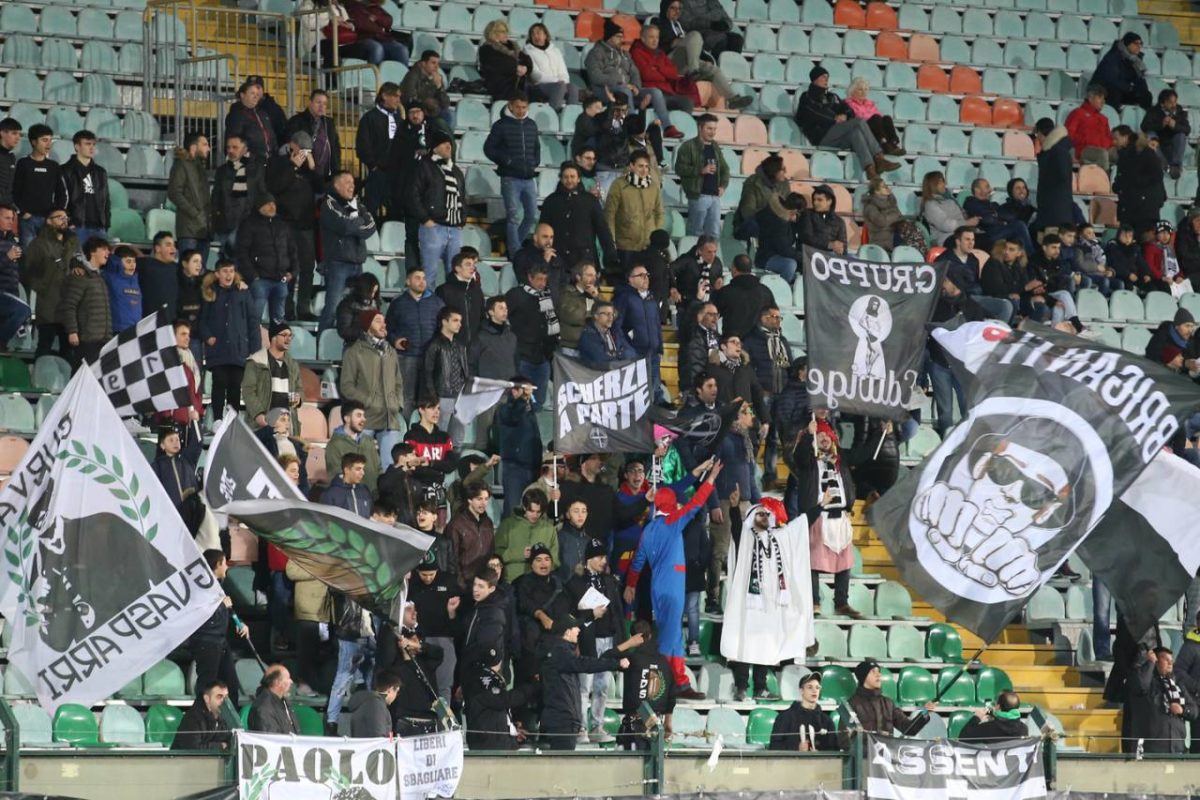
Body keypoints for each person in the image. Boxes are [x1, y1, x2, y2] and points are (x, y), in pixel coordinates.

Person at [624, 461, 722, 698]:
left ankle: (679, 682)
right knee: (669, 638)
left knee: (673, 635)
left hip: (658, 589)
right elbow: (696, 503)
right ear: (672, 504)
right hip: (672, 588)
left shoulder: (648, 530)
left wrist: (630, 584)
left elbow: (637, 562)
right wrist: (710, 479)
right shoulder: (672, 522)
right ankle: (669, 684)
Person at [722, 504, 813, 701]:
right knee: (747, 647)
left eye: (766, 514)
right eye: (759, 514)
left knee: (765, 646)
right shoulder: (746, 536)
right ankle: (741, 687)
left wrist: (820, 506)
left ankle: (761, 687)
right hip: (750, 604)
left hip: (770, 604)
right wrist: (735, 508)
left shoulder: (778, 537)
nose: (763, 517)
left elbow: (799, 528)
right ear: (752, 517)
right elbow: (737, 528)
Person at [794, 419, 861, 618]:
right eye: (819, 435)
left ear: (833, 438)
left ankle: (842, 602)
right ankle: (814, 601)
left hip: (840, 517)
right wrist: (807, 434)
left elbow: (864, 454)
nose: (823, 438)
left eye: (826, 435)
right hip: (819, 516)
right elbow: (799, 456)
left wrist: (885, 434)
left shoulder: (842, 461)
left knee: (845, 562)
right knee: (813, 561)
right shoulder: (809, 463)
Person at [538, 615, 630, 750]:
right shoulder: (559, 653)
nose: (578, 630)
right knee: (561, 765)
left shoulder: (559, 651)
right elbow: (585, 664)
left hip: (563, 719)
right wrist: (615, 664)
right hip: (562, 720)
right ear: (567, 632)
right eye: (575, 627)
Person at [586, 22, 684, 140]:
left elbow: (635, 72)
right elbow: (595, 76)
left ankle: (668, 127)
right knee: (625, 90)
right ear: (609, 37)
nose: (621, 40)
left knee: (655, 92)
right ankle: (632, 126)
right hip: (606, 91)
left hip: (627, 90)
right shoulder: (596, 53)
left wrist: (636, 86)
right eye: (618, 37)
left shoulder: (625, 54)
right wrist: (620, 83)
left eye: (622, 37)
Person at [795, 67, 898, 179]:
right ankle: (879, 157)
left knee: (856, 134)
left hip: (836, 135)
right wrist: (834, 117)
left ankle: (870, 168)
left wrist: (844, 115)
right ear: (815, 79)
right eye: (823, 77)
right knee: (859, 121)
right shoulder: (806, 96)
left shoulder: (832, 97)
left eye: (827, 77)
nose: (826, 80)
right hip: (821, 135)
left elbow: (849, 110)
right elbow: (816, 113)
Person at [265, 133, 319, 320]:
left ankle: (304, 308)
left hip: (306, 225)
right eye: (300, 150)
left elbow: (320, 188)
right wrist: (292, 165)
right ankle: (286, 307)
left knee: (306, 268)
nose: (303, 155)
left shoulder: (309, 171)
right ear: (291, 146)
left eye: (307, 151)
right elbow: (275, 186)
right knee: (288, 269)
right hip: (285, 224)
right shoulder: (278, 163)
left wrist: (313, 168)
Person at [484, 94, 541, 260]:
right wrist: (506, 160)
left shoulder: (532, 125)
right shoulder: (500, 125)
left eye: (524, 108)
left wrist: (535, 162)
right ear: (510, 106)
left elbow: (536, 147)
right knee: (513, 215)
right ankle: (515, 251)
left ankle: (514, 247)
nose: (521, 111)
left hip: (529, 177)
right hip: (510, 178)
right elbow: (489, 148)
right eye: (518, 107)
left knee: (531, 215)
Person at [197, 260, 257, 416]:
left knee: (235, 385)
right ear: (217, 274)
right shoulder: (210, 293)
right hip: (218, 347)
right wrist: (208, 336)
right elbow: (201, 320)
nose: (229, 274)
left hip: (239, 349)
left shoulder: (243, 292)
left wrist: (254, 349)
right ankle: (217, 419)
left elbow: (252, 321)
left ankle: (233, 419)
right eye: (225, 271)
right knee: (220, 382)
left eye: (231, 271)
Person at [319, 171, 377, 330]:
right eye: (347, 182)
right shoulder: (329, 204)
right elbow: (343, 226)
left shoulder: (359, 204)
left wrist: (354, 224)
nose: (351, 186)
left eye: (352, 182)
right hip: (338, 263)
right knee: (332, 307)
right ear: (336, 185)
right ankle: (321, 345)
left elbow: (371, 227)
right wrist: (358, 222)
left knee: (359, 306)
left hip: (358, 262)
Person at [190, 550, 248, 706]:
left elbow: (227, 608)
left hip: (221, 641)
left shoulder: (219, 586)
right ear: (217, 565)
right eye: (224, 563)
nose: (227, 567)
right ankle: (202, 721)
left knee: (231, 686)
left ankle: (231, 725)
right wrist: (222, 606)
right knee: (206, 685)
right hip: (206, 641)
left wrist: (240, 623)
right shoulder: (200, 587)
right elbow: (203, 615)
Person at [386, 266, 444, 420]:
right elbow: (388, 329)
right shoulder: (398, 303)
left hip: (431, 358)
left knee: (430, 398)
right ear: (408, 281)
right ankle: (406, 433)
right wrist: (395, 340)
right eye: (417, 278)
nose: (422, 281)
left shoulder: (437, 303)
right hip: (407, 357)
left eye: (424, 278)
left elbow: (443, 329)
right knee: (407, 398)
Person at [409, 129, 466, 280]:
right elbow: (412, 195)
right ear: (434, 148)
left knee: (455, 275)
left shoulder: (456, 171)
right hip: (434, 227)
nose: (449, 147)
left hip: (455, 229)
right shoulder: (424, 166)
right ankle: (428, 303)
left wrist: (461, 221)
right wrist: (425, 219)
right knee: (429, 274)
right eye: (444, 144)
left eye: (450, 144)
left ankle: (451, 304)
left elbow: (462, 198)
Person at [20, 208, 76, 358]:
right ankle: (38, 379)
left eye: (66, 217)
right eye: (59, 217)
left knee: (68, 352)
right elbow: (26, 272)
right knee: (44, 346)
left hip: (69, 308)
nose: (64, 220)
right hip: (48, 307)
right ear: (49, 221)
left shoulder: (72, 243)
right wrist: (43, 287)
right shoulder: (38, 244)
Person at [540, 165, 615, 274]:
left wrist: (611, 256)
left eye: (572, 176)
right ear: (561, 178)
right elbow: (543, 229)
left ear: (578, 178)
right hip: (558, 259)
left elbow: (602, 229)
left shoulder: (590, 201)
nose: (569, 180)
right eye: (565, 177)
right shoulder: (550, 201)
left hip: (585, 259)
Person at [340, 309, 403, 436]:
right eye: (378, 321)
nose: (383, 325)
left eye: (384, 321)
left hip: (389, 419)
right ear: (368, 325)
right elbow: (346, 386)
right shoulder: (354, 352)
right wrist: (368, 402)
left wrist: (397, 403)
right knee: (362, 456)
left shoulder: (391, 351)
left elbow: (398, 382)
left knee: (391, 456)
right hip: (366, 418)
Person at [236, 191, 296, 324]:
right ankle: (254, 344)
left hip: (281, 279)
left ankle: (274, 344)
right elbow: (242, 251)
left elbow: (292, 250)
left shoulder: (282, 224)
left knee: (278, 322)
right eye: (268, 204)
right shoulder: (249, 224)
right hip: (260, 280)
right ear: (259, 206)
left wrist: (293, 272)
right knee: (254, 319)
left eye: (273, 203)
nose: (272, 206)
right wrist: (252, 275)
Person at [504, 263, 559, 408]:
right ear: (530, 277)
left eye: (545, 280)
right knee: (520, 401)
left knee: (538, 403)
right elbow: (502, 317)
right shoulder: (516, 295)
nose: (542, 283)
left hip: (543, 358)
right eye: (539, 279)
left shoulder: (547, 297)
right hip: (523, 357)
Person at [463, 644, 536, 750]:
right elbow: (504, 700)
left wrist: (512, 729)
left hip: (484, 740)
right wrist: (532, 686)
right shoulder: (489, 681)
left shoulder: (472, 677)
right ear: (499, 662)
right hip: (492, 744)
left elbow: (492, 714)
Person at [936, 227, 1014, 323]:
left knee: (1006, 305)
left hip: (975, 298)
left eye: (973, 240)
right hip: (957, 301)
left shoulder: (973, 260)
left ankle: (994, 334)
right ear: (958, 241)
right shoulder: (943, 260)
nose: (971, 243)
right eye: (967, 239)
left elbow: (976, 283)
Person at [1129, 647, 1198, 753]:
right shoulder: (1147, 682)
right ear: (1156, 661)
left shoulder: (1177, 684)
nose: (1170, 663)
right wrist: (1150, 663)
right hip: (1151, 748)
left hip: (1177, 747)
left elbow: (1194, 710)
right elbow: (1141, 686)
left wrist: (1182, 710)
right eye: (1166, 659)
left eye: (1171, 660)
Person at [58, 237, 112, 369]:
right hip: (87, 339)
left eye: (108, 250)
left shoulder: (99, 278)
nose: (108, 253)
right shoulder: (80, 276)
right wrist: (72, 331)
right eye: (104, 249)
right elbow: (69, 305)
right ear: (93, 252)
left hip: (102, 340)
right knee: (80, 376)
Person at [613, 261, 664, 398]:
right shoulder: (623, 297)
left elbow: (656, 325)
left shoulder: (651, 298)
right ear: (630, 279)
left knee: (653, 391)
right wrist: (626, 349)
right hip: (635, 354)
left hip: (653, 353)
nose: (645, 278)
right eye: (641, 275)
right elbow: (616, 326)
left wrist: (660, 348)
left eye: (647, 275)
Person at [846, 660, 932, 739]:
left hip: (888, 753)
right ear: (863, 677)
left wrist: (924, 714)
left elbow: (908, 729)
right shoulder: (852, 704)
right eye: (873, 672)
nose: (878, 675)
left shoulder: (888, 703)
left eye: (879, 672)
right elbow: (845, 739)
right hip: (864, 755)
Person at [242, 321, 302, 434]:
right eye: (284, 335)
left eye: (290, 336)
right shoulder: (256, 362)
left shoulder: (293, 365)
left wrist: (299, 399)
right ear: (273, 338)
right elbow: (248, 391)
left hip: (286, 426)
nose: (288, 339)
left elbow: (299, 389)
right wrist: (258, 414)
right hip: (262, 425)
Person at [423, 306, 471, 446]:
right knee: (440, 436)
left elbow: (465, 371)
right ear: (444, 322)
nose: (459, 324)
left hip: (460, 397)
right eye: (455, 320)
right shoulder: (434, 345)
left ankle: (454, 464)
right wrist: (433, 397)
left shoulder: (461, 346)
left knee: (458, 439)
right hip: (442, 396)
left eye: (460, 321)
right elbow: (427, 372)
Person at [630, 24, 699, 121]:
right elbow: (646, 74)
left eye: (657, 37)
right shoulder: (636, 52)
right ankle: (668, 128)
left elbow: (674, 74)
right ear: (643, 38)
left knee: (687, 102)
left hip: (667, 92)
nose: (655, 41)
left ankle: (681, 129)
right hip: (651, 92)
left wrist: (658, 68)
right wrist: (664, 75)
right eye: (651, 37)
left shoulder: (660, 53)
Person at [211, 135, 265, 258]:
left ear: (245, 149)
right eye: (228, 147)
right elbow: (215, 198)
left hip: (247, 225)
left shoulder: (256, 170)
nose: (230, 150)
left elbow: (261, 196)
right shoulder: (222, 171)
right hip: (225, 225)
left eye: (235, 147)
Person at [674, 115, 727, 238]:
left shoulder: (715, 146)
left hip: (715, 196)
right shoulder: (688, 146)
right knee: (695, 233)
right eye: (709, 128)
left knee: (714, 234)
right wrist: (700, 170)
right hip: (698, 196)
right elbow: (679, 169)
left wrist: (723, 186)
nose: (713, 132)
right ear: (700, 128)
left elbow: (725, 169)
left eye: (714, 129)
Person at [355, 82, 403, 218]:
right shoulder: (369, 118)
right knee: (370, 211)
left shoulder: (399, 118)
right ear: (385, 96)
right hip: (378, 173)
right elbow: (362, 145)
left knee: (396, 211)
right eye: (395, 96)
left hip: (396, 174)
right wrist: (373, 166)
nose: (398, 100)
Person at [497, 380, 543, 516]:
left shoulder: (530, 411)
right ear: (514, 391)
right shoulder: (505, 409)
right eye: (523, 390)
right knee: (514, 510)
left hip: (532, 467)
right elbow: (513, 417)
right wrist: (522, 400)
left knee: (532, 511)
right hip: (515, 469)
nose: (528, 394)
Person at [13, 124, 63, 248]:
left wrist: (56, 215)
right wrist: (23, 211)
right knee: (29, 257)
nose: (48, 144)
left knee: (49, 257)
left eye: (50, 140)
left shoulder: (53, 166)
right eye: (44, 140)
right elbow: (15, 190)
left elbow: (61, 192)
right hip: (27, 220)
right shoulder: (23, 164)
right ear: (34, 142)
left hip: (48, 220)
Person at [1114, 125, 1167, 239]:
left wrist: (1123, 185)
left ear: (1126, 137)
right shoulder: (1138, 153)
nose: (1114, 142)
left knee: (1136, 242)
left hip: (1139, 209)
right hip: (1142, 208)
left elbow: (1156, 175)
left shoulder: (1136, 154)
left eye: (1116, 138)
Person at [495, 489, 557, 581]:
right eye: (531, 511)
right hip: (512, 581)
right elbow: (496, 554)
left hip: (540, 583)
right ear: (524, 507)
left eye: (538, 512)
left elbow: (555, 560)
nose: (535, 515)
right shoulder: (508, 525)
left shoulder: (549, 529)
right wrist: (519, 553)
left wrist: (543, 563)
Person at [61, 130, 110, 245]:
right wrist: (68, 222)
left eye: (93, 144)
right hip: (76, 226)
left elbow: (106, 201)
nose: (92, 148)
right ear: (77, 146)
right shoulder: (65, 170)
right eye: (87, 144)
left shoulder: (100, 172)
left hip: (98, 227)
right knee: (76, 261)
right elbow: (61, 200)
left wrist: (106, 224)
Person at [962, 178, 1035, 256]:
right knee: (1019, 226)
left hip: (998, 231)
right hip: (986, 235)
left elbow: (1006, 217)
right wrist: (1001, 220)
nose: (990, 190)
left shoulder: (993, 204)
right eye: (987, 187)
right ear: (977, 190)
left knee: (1019, 233)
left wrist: (997, 218)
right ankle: (1033, 257)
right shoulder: (972, 203)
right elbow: (987, 220)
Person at [769, 672, 840, 751]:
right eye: (810, 687)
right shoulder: (785, 717)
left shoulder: (826, 721)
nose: (814, 690)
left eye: (817, 687)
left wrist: (819, 753)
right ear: (801, 691)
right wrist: (796, 748)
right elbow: (774, 746)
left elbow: (834, 749)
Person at [285, 89, 341, 188]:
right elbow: (292, 146)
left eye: (324, 104)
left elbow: (335, 148)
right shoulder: (296, 121)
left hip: (326, 177)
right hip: (304, 176)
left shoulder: (329, 123)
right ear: (310, 102)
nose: (321, 106)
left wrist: (336, 171)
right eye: (318, 102)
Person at [325, 399, 383, 493]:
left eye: (364, 416)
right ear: (347, 419)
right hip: (350, 499)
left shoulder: (368, 441)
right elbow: (336, 477)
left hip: (373, 498)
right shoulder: (334, 445)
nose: (363, 419)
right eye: (359, 415)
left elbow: (379, 468)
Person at [1033, 118, 1079, 231]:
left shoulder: (1057, 150)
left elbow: (1062, 176)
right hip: (1056, 208)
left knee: (1053, 243)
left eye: (1036, 134)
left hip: (1054, 210)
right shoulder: (1059, 148)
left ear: (1039, 132)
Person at [713, 254, 773, 340]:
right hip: (760, 343)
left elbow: (712, 312)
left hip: (733, 344)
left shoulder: (726, 292)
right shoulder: (765, 291)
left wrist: (716, 291)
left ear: (734, 269)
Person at [522, 23, 578, 110]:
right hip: (538, 86)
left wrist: (563, 81)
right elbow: (536, 75)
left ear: (545, 35)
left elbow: (563, 72)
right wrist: (557, 81)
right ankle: (554, 115)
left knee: (573, 88)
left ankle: (570, 116)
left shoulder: (555, 50)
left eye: (538, 33)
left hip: (559, 84)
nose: (535, 36)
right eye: (533, 34)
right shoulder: (527, 51)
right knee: (560, 87)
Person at [736, 154, 791, 241]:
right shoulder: (752, 182)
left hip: (777, 222)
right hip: (755, 221)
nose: (786, 171)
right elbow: (747, 211)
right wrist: (770, 218)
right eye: (783, 169)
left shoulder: (784, 183)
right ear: (774, 171)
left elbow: (787, 206)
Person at [1093, 32, 1153, 112]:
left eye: (1141, 43)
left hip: (1124, 89)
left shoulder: (1136, 60)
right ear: (1127, 44)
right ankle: (1113, 118)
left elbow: (1139, 80)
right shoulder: (1113, 56)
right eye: (1135, 43)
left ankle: (1145, 119)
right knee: (1115, 93)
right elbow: (1111, 80)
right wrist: (1130, 88)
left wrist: (1141, 90)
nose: (1139, 46)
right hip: (1103, 89)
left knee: (1146, 95)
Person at [435, 250, 485, 343]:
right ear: (457, 268)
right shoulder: (443, 290)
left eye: (473, 265)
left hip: (475, 346)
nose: (472, 268)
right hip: (451, 346)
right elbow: (439, 319)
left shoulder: (477, 290)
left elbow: (482, 317)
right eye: (468, 264)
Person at [479, 20, 534, 102]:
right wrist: (516, 67)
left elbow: (527, 59)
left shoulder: (513, 46)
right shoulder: (487, 49)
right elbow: (499, 64)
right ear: (493, 33)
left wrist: (526, 68)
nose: (506, 34)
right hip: (499, 86)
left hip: (518, 86)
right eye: (503, 32)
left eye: (507, 31)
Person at [845, 77, 903, 156]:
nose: (863, 92)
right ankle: (884, 143)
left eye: (865, 89)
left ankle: (893, 143)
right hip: (862, 131)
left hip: (875, 130)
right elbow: (855, 120)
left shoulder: (870, 104)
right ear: (852, 91)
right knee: (876, 118)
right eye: (860, 89)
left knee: (887, 118)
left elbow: (879, 118)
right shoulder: (848, 104)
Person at [1141, 88, 1190, 179]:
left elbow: (1187, 129)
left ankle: (1175, 166)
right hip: (1159, 145)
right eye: (1170, 102)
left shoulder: (1179, 111)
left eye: (1175, 102)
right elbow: (1144, 127)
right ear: (1162, 103)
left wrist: (1175, 126)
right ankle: (1165, 165)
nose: (1174, 105)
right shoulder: (1153, 111)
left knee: (1181, 134)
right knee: (1150, 136)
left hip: (1172, 146)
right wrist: (1161, 125)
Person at [1066, 84, 1117, 170]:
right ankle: (1105, 182)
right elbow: (1069, 135)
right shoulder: (1077, 113)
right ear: (1090, 98)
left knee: (1122, 153)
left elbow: (1108, 137)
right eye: (1100, 97)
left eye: (1104, 98)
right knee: (1102, 154)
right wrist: (1085, 141)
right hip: (1084, 150)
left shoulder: (1103, 118)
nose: (1103, 101)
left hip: (1103, 149)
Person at [225, 81, 278, 161]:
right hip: (250, 164)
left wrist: (275, 153)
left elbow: (271, 136)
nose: (256, 96)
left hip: (269, 162)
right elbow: (233, 140)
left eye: (257, 94)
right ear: (242, 95)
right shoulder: (236, 115)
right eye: (252, 93)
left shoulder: (263, 114)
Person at [173, 680, 232, 751]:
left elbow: (230, 741)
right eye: (219, 697)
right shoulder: (193, 718)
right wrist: (220, 746)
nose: (223, 701)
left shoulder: (223, 717)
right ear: (207, 699)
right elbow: (193, 749)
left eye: (226, 697)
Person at [342, 669, 401, 738]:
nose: (396, 696)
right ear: (390, 690)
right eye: (396, 692)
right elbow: (378, 736)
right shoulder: (377, 705)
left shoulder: (367, 703)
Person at [400, 51, 454, 126]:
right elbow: (409, 99)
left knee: (449, 114)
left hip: (432, 111)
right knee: (445, 117)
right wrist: (429, 104)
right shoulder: (412, 76)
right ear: (424, 63)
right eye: (433, 63)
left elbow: (445, 104)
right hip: (417, 111)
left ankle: (446, 137)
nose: (436, 67)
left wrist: (439, 87)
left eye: (438, 63)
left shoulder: (436, 78)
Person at [512, 222, 566, 295]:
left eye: (551, 237)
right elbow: (524, 280)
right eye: (545, 236)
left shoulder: (555, 257)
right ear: (535, 237)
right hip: (532, 299)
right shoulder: (522, 255)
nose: (549, 241)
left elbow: (563, 281)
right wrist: (544, 261)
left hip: (554, 301)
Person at [137, 232, 181, 320]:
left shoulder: (177, 268)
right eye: (168, 245)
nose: (173, 249)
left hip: (171, 322)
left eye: (174, 245)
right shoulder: (145, 264)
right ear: (157, 248)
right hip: (150, 322)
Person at [577, 300, 635, 366]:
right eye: (606, 314)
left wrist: (617, 355)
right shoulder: (588, 335)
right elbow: (601, 359)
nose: (610, 317)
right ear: (596, 316)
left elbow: (631, 353)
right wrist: (620, 355)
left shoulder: (615, 331)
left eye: (612, 314)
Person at [676, 0, 744, 57]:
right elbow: (687, 23)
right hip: (700, 34)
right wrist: (710, 24)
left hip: (719, 31)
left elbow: (726, 17)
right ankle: (718, 66)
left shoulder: (713, 1)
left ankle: (732, 66)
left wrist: (727, 25)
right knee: (720, 39)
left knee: (737, 39)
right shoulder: (685, 2)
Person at [958, 690, 1027, 743]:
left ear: (998, 706)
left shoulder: (988, 728)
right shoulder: (1024, 729)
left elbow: (963, 738)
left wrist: (977, 717)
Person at [102, 244, 142, 334]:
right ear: (118, 262)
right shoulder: (111, 277)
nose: (132, 265)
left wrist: (130, 246)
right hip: (118, 329)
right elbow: (111, 261)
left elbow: (144, 259)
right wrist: (116, 248)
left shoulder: (135, 279)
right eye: (128, 261)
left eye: (134, 261)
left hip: (136, 329)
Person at [248, 665, 299, 734]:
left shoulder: (282, 701)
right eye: (288, 678)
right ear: (277, 682)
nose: (291, 681)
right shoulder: (263, 708)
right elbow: (272, 739)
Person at [799, 184, 847, 255]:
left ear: (829, 201)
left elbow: (843, 244)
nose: (815, 203)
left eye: (819, 200)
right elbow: (807, 238)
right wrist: (829, 245)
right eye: (814, 199)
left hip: (832, 256)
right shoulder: (807, 214)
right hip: (812, 254)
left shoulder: (839, 221)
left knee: (854, 258)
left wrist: (841, 248)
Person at [322, 452, 374, 517]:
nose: (362, 473)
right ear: (346, 470)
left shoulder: (365, 490)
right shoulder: (330, 494)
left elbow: (371, 515)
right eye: (358, 469)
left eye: (363, 469)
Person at [861, 178, 904, 253]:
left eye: (886, 185)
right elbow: (882, 221)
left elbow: (900, 217)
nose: (887, 188)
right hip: (880, 241)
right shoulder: (870, 206)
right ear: (876, 191)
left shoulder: (891, 202)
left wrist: (892, 217)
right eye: (884, 186)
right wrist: (894, 215)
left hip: (894, 235)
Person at [0, 118, 19, 208]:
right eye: (14, 133)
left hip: (6, 208)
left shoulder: (11, 157)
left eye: (19, 134)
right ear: (2, 133)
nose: (18, 138)